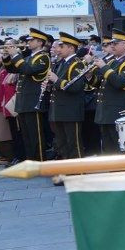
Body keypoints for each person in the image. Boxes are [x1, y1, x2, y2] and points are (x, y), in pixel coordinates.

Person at [2, 28, 53, 163]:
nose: (28, 43)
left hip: (34, 100)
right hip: (24, 100)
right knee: (26, 135)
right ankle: (31, 160)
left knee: (35, 134)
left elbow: (28, 70)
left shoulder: (43, 57)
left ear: (40, 42)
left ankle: (40, 161)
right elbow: (12, 69)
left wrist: (15, 55)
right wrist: (7, 56)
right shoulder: (30, 56)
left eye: (31, 40)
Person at [93, 30, 125, 154]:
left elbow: (120, 82)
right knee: (108, 151)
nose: (112, 45)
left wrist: (104, 67)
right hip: (105, 114)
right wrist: (89, 76)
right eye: (112, 43)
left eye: (115, 43)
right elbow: (99, 84)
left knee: (120, 150)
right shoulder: (112, 62)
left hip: (117, 113)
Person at [48, 33, 87, 161]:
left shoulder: (77, 64)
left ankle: (78, 172)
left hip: (71, 110)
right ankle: (67, 170)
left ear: (71, 48)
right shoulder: (62, 63)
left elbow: (76, 87)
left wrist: (56, 80)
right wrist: (49, 84)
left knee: (73, 144)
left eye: (62, 46)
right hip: (59, 109)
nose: (58, 49)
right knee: (62, 143)